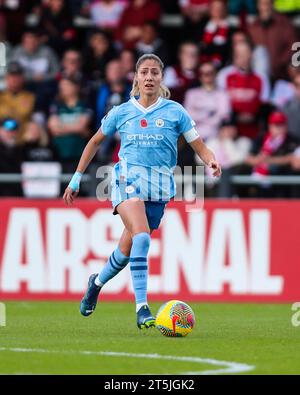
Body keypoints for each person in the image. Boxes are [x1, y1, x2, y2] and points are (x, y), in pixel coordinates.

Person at [63, 54, 221, 329]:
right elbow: (94, 142)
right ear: (136, 78)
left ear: (161, 79)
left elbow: (198, 145)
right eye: (144, 72)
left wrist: (210, 160)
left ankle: (96, 283)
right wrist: (76, 178)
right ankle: (142, 307)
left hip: (160, 187)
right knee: (143, 238)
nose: (149, 77)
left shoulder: (175, 111)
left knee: (127, 251)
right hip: (126, 180)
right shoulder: (122, 112)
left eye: (155, 73)